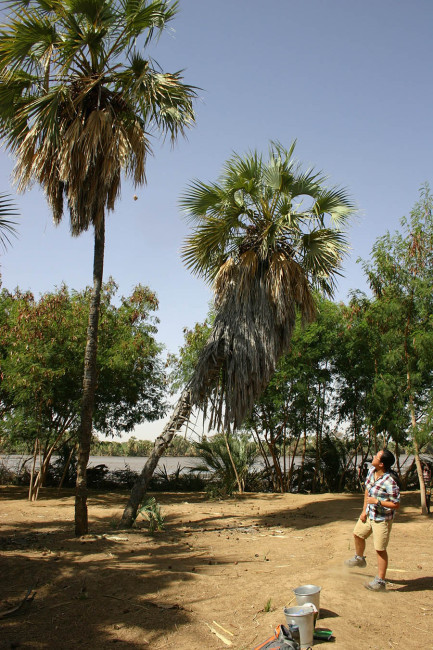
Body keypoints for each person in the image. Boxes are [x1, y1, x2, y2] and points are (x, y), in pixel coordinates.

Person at [345, 449, 400, 591]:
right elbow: (367, 491)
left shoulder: (390, 481)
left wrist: (377, 502)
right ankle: (359, 558)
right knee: (358, 534)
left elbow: (396, 504)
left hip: (382, 519)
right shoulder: (371, 471)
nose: (374, 457)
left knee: (380, 549)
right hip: (369, 514)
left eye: (377, 456)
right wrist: (364, 511)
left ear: (381, 464)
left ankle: (380, 582)